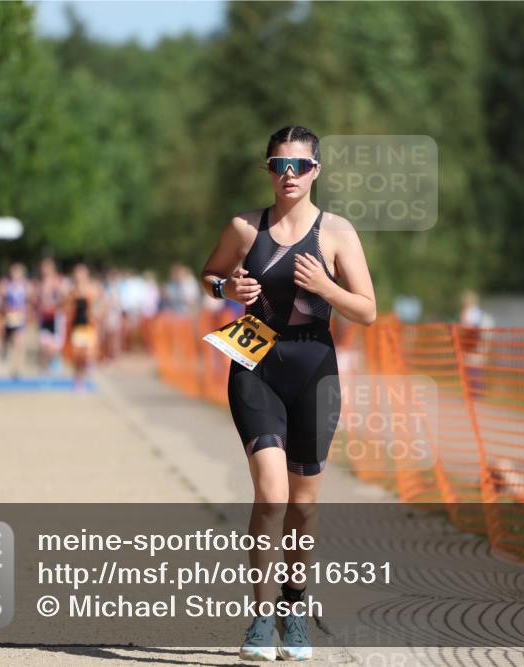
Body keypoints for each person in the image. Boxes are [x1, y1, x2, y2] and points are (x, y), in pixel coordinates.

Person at [200, 125, 376, 662]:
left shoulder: (338, 233)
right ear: (269, 171)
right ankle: (259, 618)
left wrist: (326, 288)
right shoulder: (244, 227)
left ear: (316, 171)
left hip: (314, 371)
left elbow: (367, 310)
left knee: (304, 502)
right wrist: (225, 288)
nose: (289, 175)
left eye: (299, 166)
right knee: (272, 492)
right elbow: (209, 274)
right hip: (254, 364)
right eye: (279, 166)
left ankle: (294, 606)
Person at [62, 263, 101, 391]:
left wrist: (97, 314)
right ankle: (78, 381)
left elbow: (99, 304)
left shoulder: (93, 288)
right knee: (77, 356)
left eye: (81, 273)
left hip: (88, 325)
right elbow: (66, 306)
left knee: (88, 353)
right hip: (77, 326)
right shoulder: (72, 291)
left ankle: (87, 369)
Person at [0, 262, 29, 379]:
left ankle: (17, 369)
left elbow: (28, 301)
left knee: (19, 344)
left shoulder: (24, 286)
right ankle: (4, 353)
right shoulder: (7, 286)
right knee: (6, 341)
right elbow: (2, 302)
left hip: (20, 318)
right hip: (9, 317)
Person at [35, 257, 65, 373]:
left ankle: (54, 360)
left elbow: (62, 299)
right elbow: (37, 301)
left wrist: (54, 303)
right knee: (43, 344)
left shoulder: (57, 282)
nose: (44, 270)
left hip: (55, 317)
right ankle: (44, 368)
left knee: (55, 346)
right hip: (44, 317)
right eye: (43, 268)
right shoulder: (40, 283)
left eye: (47, 268)